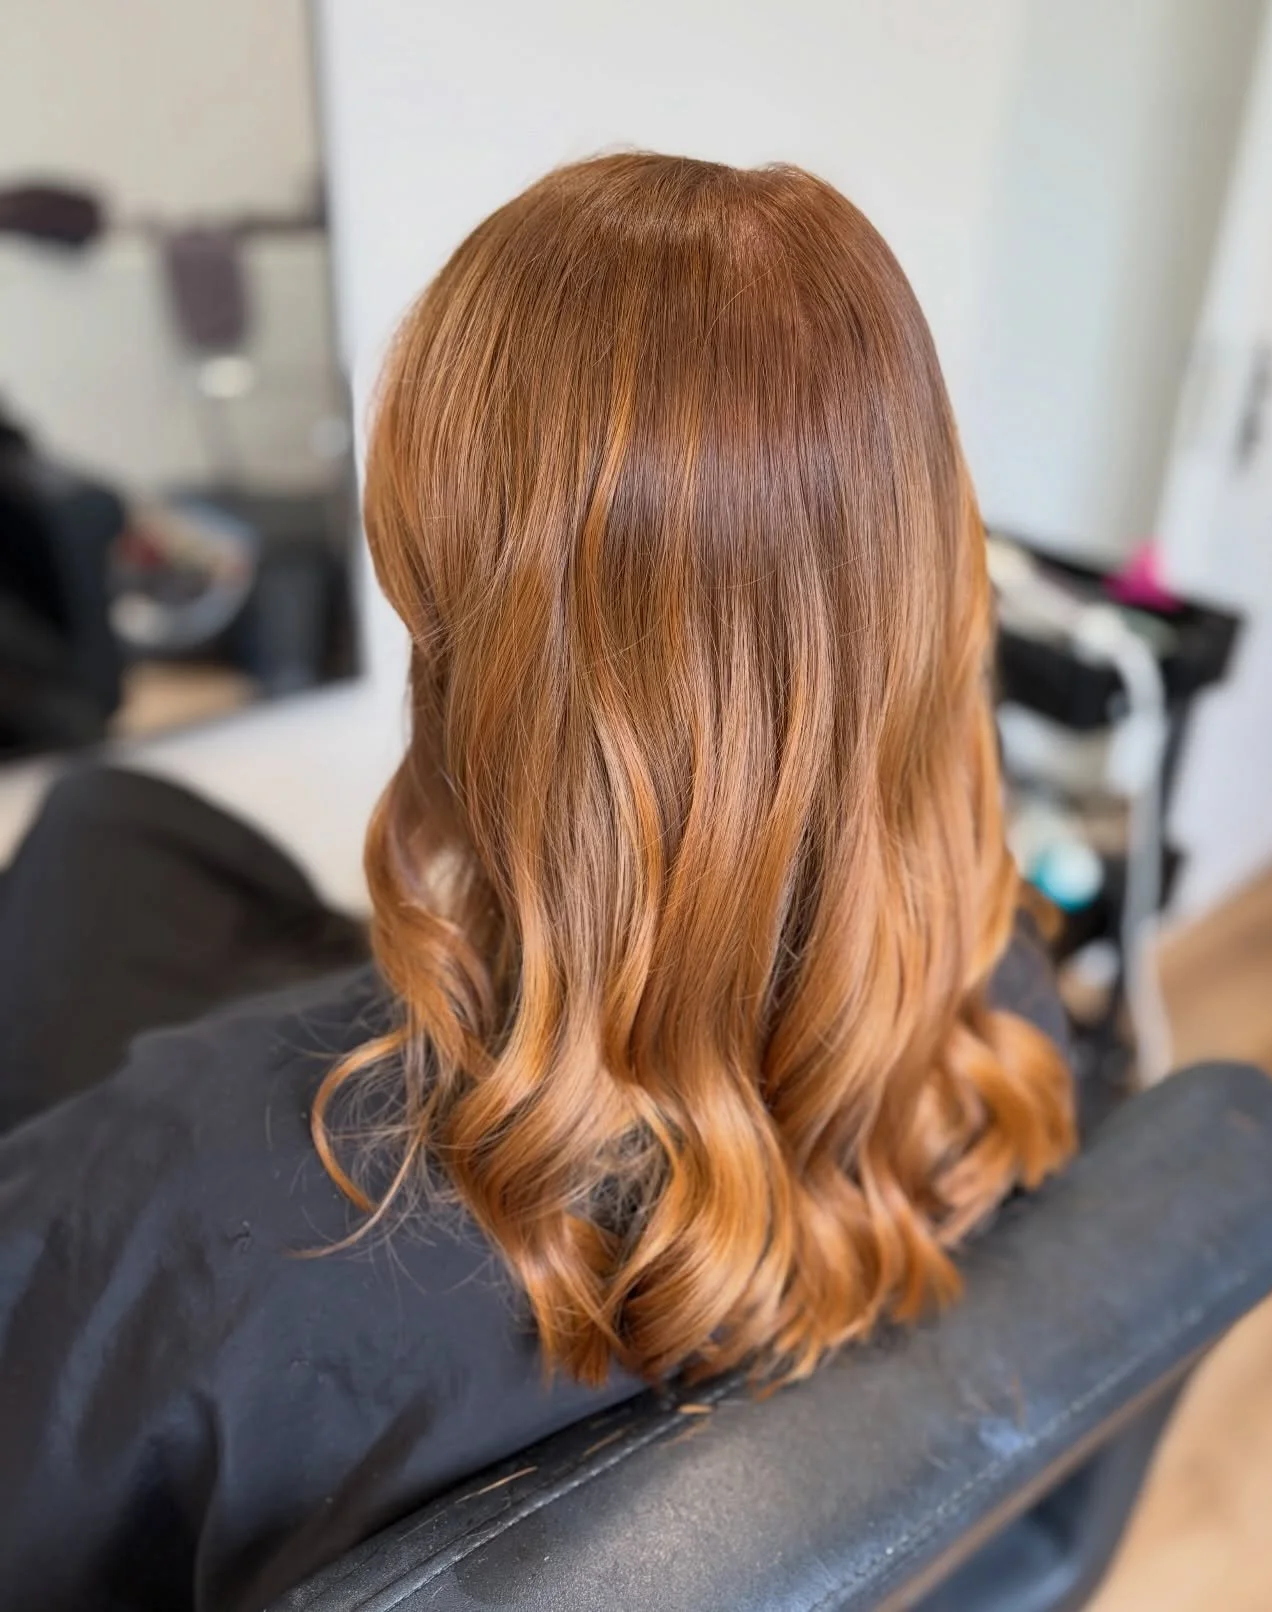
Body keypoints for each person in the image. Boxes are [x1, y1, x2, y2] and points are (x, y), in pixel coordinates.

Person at [0, 154, 1076, 1612]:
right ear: (917, 579)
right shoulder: (1007, 1018)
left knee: (85, 856)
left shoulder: (187, 1216)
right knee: (109, 826)